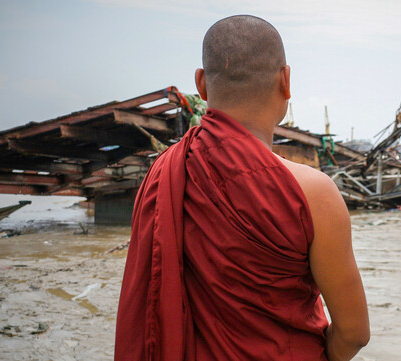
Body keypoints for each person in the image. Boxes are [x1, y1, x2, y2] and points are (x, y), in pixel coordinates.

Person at [114, 15, 369, 361]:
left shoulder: (163, 175)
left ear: (201, 85)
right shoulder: (315, 193)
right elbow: (354, 332)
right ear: (286, 81)